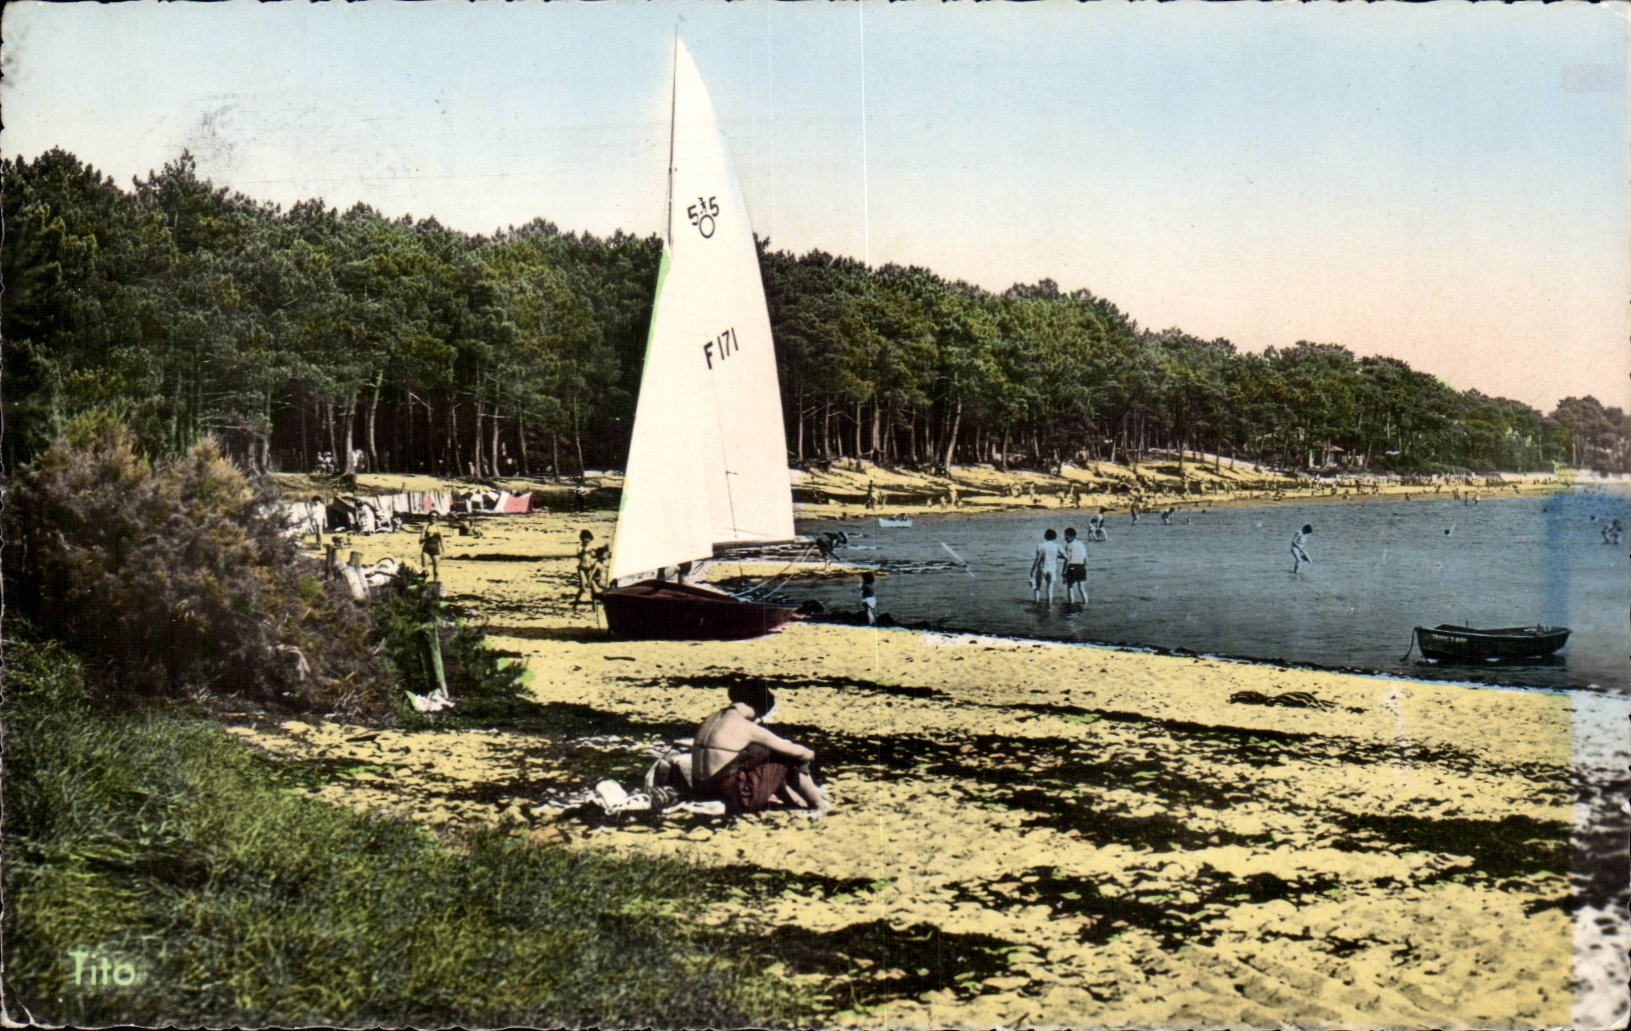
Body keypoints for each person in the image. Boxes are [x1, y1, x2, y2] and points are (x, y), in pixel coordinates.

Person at [691, 682, 829, 816]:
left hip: (703, 790)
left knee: (759, 754)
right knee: (789, 757)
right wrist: (809, 754)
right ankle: (819, 805)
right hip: (737, 798)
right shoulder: (745, 726)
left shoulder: (712, 718)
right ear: (758, 709)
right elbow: (803, 754)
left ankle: (793, 800)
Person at [1031, 528, 1061, 605]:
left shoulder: (1041, 545)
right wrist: (1056, 556)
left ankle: (1036, 602)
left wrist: (1032, 569)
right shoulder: (1057, 546)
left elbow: (1038, 559)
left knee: (1037, 587)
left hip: (1042, 567)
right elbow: (1065, 556)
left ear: (1045, 536)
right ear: (1055, 537)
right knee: (1050, 588)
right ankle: (1049, 604)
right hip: (1052, 568)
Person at [1061, 527, 1089, 605]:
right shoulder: (1081, 543)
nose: (1065, 538)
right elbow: (1085, 558)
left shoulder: (1068, 545)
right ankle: (1086, 604)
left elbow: (1067, 559)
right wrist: (1085, 567)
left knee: (1070, 588)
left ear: (1070, 536)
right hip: (1081, 567)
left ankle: (1071, 604)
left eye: (1066, 536)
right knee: (1082, 589)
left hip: (1072, 567)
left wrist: (1063, 572)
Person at [572, 529, 596, 607]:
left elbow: (594, 555)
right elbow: (579, 555)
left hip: (589, 568)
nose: (586, 540)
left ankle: (594, 605)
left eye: (588, 538)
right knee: (582, 588)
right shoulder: (579, 547)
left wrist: (592, 551)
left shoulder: (592, 547)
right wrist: (585, 550)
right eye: (585, 538)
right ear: (582, 539)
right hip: (582, 568)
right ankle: (575, 603)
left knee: (593, 587)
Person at [419, 513, 444, 581]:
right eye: (432, 516)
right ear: (429, 517)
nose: (434, 518)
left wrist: (443, 551)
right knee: (424, 570)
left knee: (436, 571)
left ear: (437, 518)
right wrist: (427, 537)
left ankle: (435, 586)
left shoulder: (439, 528)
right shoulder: (425, 527)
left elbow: (441, 541)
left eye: (435, 517)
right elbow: (420, 541)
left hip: (435, 549)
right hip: (426, 549)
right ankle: (422, 586)